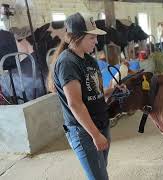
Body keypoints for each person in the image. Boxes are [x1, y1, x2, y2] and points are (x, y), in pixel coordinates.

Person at [47, 12, 125, 180]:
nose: (96, 42)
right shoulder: (68, 63)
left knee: (101, 171)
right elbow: (75, 103)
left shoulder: (90, 60)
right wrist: (95, 135)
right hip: (84, 132)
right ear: (76, 37)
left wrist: (112, 90)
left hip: (100, 124)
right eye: (91, 38)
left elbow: (94, 94)